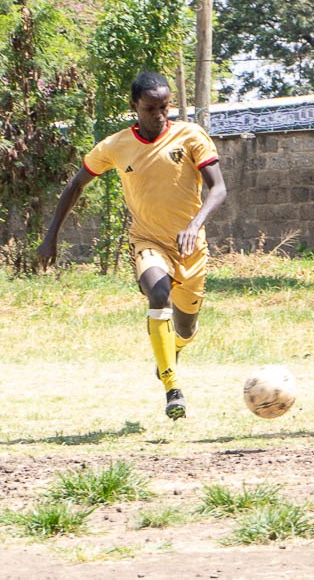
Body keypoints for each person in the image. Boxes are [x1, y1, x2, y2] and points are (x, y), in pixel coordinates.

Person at [37, 71, 227, 421]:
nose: (159, 115)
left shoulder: (190, 136)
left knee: (185, 329)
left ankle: (173, 350)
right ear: (134, 107)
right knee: (157, 293)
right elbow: (76, 185)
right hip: (148, 241)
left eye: (165, 107)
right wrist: (51, 236)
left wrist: (194, 225)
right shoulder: (115, 146)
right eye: (151, 108)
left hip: (191, 247)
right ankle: (172, 388)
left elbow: (218, 188)